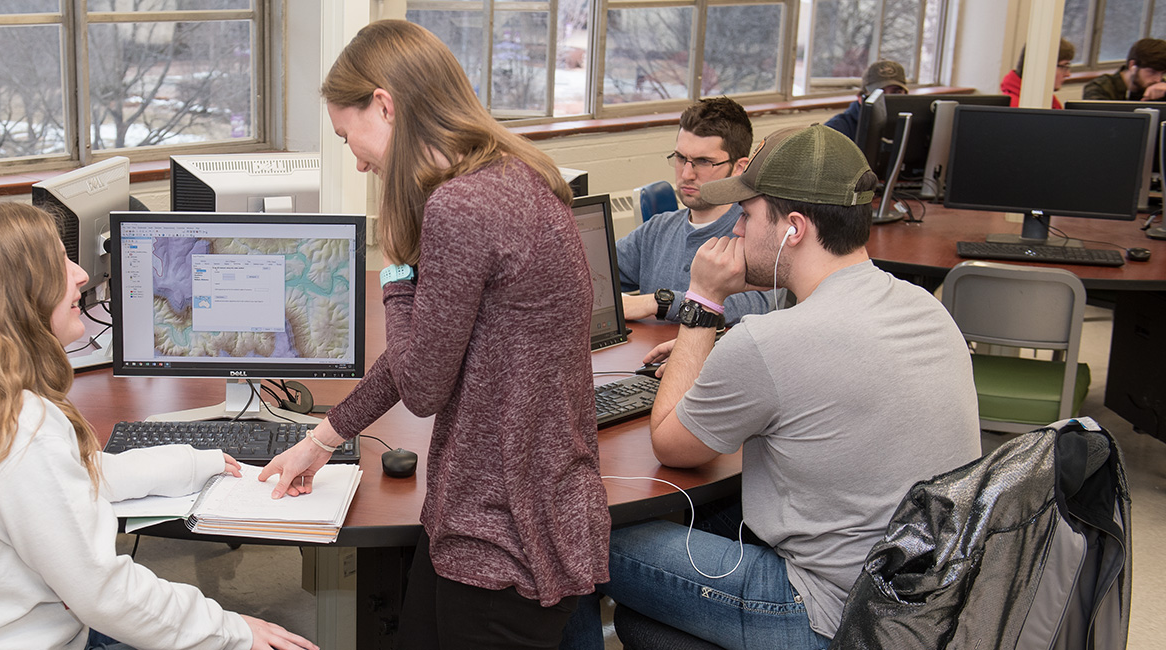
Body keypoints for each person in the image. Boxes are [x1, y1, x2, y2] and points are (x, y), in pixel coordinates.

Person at [560, 125, 981, 649]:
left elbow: (672, 447)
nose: (736, 230)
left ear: (794, 229)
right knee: (646, 628)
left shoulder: (773, 342)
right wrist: (723, 351)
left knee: (571, 529)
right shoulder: (923, 306)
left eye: (748, 215)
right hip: (917, 605)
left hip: (828, 611)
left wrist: (703, 306)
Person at [258, 19, 609, 649]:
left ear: (386, 107)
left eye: (348, 135)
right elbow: (420, 355)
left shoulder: (461, 207)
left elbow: (421, 384)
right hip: (516, 509)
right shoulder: (514, 175)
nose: (356, 159)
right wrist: (320, 441)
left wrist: (396, 270)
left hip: (502, 532)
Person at [0, 202, 318, 650]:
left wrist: (195, 462)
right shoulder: (15, 427)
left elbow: (65, 480)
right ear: (16, 295)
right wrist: (232, 631)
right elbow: (105, 593)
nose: (81, 275)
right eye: (59, 262)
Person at [617, 97, 778, 326]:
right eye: (681, 158)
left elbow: (757, 305)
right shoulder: (657, 229)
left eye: (703, 162)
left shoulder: (756, 236)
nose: (686, 175)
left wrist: (658, 303)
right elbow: (594, 274)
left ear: (739, 168)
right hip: (646, 359)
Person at [824, 60, 909, 141]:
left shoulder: (910, 125)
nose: (888, 98)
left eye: (896, 92)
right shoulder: (836, 130)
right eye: (879, 93)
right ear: (860, 98)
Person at [1083, 37, 1166, 101]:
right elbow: (1100, 120)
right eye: (1152, 72)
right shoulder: (1100, 88)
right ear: (1132, 65)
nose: (1158, 80)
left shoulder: (1161, 88)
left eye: (1162, 73)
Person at [1002, 40, 1076, 108]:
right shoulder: (1016, 108)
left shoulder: (1047, 101)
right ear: (1043, 67)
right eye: (1064, 67)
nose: (1068, 74)